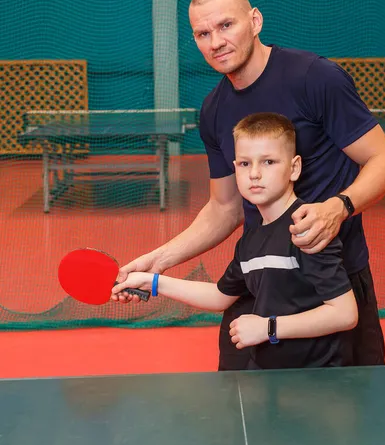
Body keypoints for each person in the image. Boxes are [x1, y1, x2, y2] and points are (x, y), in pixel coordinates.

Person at [115, 0, 385, 371]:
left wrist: (338, 208)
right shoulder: (214, 110)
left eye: (226, 26)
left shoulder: (315, 77)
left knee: (347, 418)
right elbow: (224, 208)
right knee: (243, 414)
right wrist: (157, 262)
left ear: (255, 21)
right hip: (260, 285)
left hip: (331, 283)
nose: (215, 42)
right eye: (203, 33)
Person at [113, 113, 358, 370]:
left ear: (294, 168)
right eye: (244, 164)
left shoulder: (306, 227)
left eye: (269, 162)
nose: (254, 173)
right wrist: (152, 281)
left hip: (315, 383)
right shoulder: (251, 240)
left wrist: (269, 327)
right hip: (269, 377)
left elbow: (344, 313)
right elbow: (221, 296)